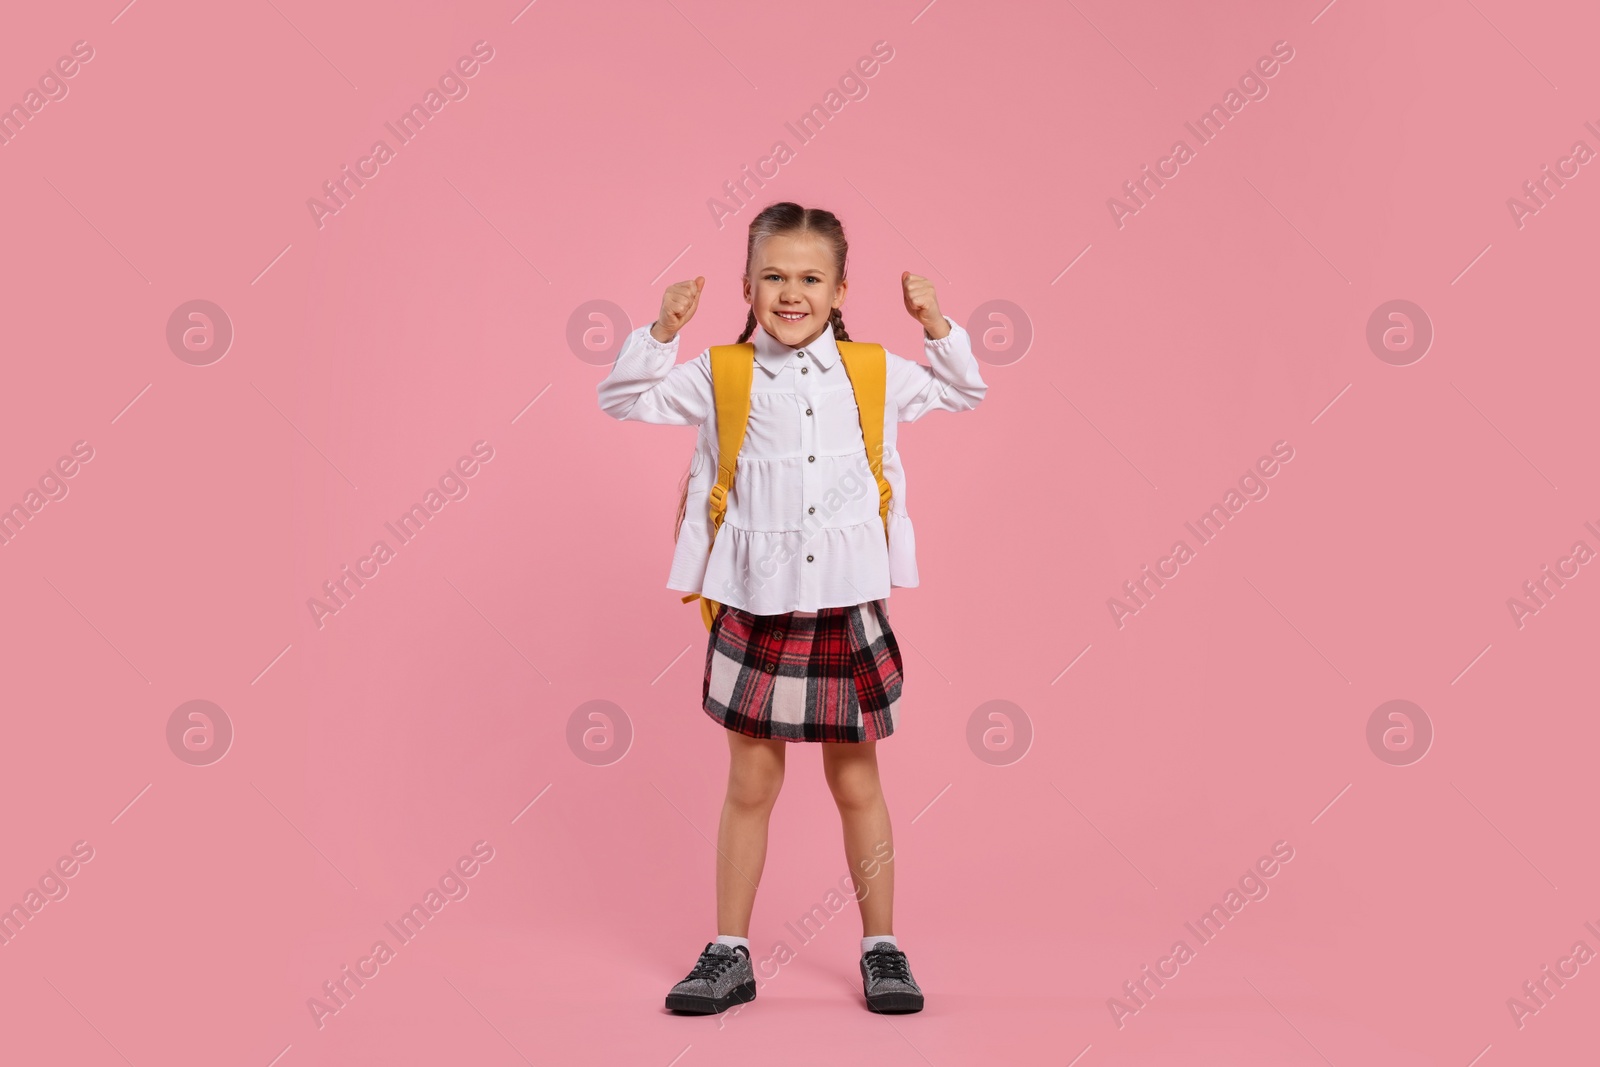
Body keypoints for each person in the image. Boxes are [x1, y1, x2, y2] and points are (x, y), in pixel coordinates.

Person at [596, 201, 988, 1014]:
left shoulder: (874, 371)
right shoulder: (720, 373)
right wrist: (662, 329)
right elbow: (624, 400)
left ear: (842, 288)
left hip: (844, 603)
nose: (790, 291)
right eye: (773, 275)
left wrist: (936, 320)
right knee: (750, 781)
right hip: (757, 602)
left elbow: (965, 389)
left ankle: (884, 950)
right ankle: (728, 953)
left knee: (856, 779)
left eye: (810, 277)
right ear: (745, 285)